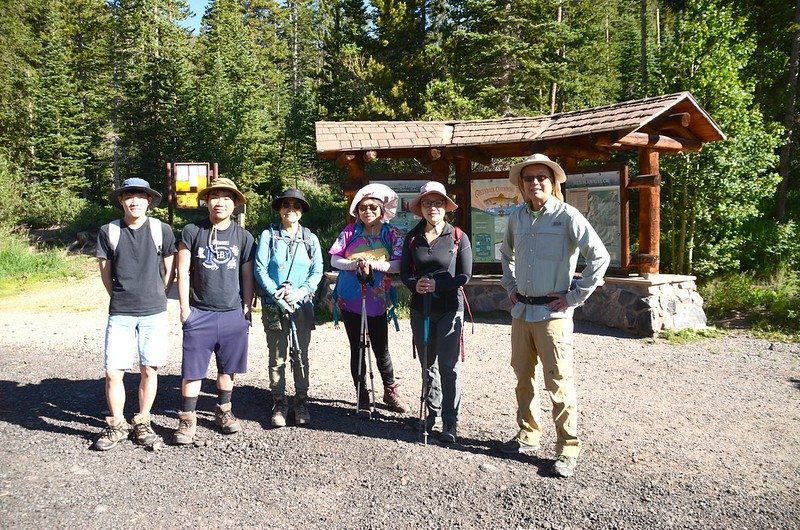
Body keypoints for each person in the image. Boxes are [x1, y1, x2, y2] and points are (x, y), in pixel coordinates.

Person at [498, 153, 610, 478]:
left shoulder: (567, 216)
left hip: (553, 315)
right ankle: (528, 435)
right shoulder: (516, 217)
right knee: (523, 379)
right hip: (522, 313)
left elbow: (599, 257)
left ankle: (567, 449)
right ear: (521, 184)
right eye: (528, 178)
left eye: (541, 177)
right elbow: (505, 253)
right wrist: (510, 285)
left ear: (553, 182)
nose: (535, 182)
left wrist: (575, 296)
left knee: (559, 384)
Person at [94, 177, 176, 450]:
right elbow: (106, 273)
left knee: (148, 369)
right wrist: (120, 297)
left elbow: (169, 270)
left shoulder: (161, 229)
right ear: (120, 200)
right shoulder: (109, 231)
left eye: (140, 196)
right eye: (129, 196)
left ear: (149, 200)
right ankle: (116, 423)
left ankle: (142, 420)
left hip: (154, 311)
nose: (134, 201)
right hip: (121, 311)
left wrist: (156, 295)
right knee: (113, 372)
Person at [172, 178, 255, 444]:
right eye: (215, 197)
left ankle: (224, 411)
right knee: (192, 370)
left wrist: (247, 308)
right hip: (199, 311)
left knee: (227, 369)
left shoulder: (243, 237)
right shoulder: (192, 231)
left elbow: (246, 275)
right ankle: (187, 417)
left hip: (232, 312)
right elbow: (181, 270)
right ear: (207, 201)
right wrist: (184, 309)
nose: (220, 202)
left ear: (235, 204)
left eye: (227, 198)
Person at [329, 183, 410, 416]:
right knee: (356, 346)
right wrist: (355, 264)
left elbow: (398, 264)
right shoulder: (349, 232)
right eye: (363, 207)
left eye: (373, 207)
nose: (368, 211)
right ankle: (361, 392)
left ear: (382, 209)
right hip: (349, 297)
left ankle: (390, 390)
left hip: (378, 298)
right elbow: (334, 259)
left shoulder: (391, 233)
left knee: (380, 347)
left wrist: (374, 264)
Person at [400, 181, 472, 444]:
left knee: (448, 367)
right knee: (427, 365)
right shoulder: (412, 238)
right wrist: (414, 285)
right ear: (420, 208)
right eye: (428, 203)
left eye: (438, 203)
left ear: (445, 207)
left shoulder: (458, 237)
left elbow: (465, 275)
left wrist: (438, 284)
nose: (433, 208)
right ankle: (431, 414)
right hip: (421, 310)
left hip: (450, 309)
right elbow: (406, 273)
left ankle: (450, 422)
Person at [254, 189, 323, 427]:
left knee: (301, 354)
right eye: (286, 205)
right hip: (274, 305)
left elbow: (317, 272)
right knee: (277, 356)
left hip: (302, 304)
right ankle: (279, 401)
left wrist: (300, 293)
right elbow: (260, 269)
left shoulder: (310, 239)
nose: (290, 209)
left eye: (296, 205)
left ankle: (301, 401)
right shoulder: (268, 236)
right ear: (279, 209)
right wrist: (277, 295)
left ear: (302, 211)